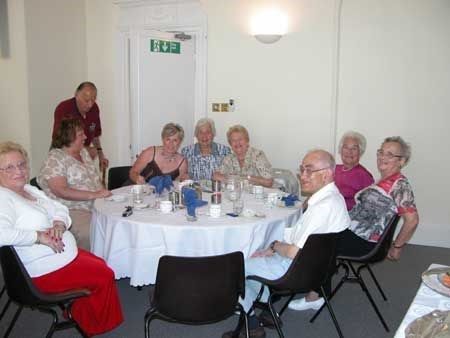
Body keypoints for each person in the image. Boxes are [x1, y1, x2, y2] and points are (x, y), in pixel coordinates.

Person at [222, 149, 350, 338]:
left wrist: (274, 246)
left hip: (294, 270)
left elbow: (292, 252)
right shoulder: (335, 198)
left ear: (327, 174)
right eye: (302, 169)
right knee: (255, 254)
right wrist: (272, 248)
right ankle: (268, 309)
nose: (303, 176)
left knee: (233, 266)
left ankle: (252, 324)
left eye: (309, 170)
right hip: (317, 269)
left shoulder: (321, 207)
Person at [0, 141, 123, 337]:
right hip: (41, 272)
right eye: (9, 167)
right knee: (104, 275)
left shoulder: (28, 190)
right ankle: (91, 323)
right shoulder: (3, 198)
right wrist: (38, 236)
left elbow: (59, 208)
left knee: (101, 264)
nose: (19, 171)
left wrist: (59, 223)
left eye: (22, 164)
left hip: (59, 257)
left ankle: (76, 312)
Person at [289, 136, 419, 311]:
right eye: (381, 152)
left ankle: (315, 294)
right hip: (353, 231)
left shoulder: (399, 184)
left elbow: (412, 220)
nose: (382, 157)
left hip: (364, 241)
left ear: (402, 161)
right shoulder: (384, 180)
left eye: (390, 154)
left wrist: (397, 246)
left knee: (317, 242)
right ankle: (312, 283)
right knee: (316, 230)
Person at [38, 119, 111, 250]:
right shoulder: (55, 158)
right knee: (92, 233)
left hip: (96, 206)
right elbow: (61, 191)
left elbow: (93, 180)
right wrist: (94, 194)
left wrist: (102, 194)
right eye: (80, 134)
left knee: (118, 224)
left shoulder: (83, 152)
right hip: (72, 210)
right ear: (69, 137)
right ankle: (92, 266)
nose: (86, 137)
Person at [52, 82, 109, 169]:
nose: (90, 105)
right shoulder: (64, 108)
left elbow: (95, 135)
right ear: (76, 95)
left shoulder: (94, 109)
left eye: (93, 100)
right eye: (86, 100)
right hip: (63, 154)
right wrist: (85, 151)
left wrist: (100, 154)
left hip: (83, 154)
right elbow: (61, 141)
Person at [335, 131, 374, 210]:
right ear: (341, 150)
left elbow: (370, 207)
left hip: (348, 217)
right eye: (345, 147)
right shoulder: (334, 169)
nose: (349, 152)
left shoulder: (364, 176)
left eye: (354, 148)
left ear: (360, 152)